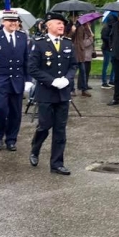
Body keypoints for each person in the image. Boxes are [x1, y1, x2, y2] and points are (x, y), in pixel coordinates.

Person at [28, 12, 78, 175]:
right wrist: (51, 81)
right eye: (58, 23)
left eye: (63, 24)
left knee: (60, 129)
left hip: (63, 93)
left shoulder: (68, 44)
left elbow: (73, 65)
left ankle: (57, 163)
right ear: (48, 25)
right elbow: (33, 68)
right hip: (46, 93)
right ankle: (35, 148)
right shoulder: (39, 44)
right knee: (44, 125)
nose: (62, 26)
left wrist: (67, 79)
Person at [0, 10, 32, 151]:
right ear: (3, 22)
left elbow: (26, 60)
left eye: (16, 20)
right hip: (0, 80)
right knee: (1, 110)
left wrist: (28, 80)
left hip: (17, 80)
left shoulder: (22, 37)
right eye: (10, 20)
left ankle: (11, 139)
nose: (13, 23)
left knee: (16, 112)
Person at [74, 21, 95, 97]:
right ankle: (80, 87)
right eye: (88, 23)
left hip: (87, 54)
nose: (90, 24)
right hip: (83, 54)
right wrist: (91, 39)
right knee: (81, 71)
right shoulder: (81, 30)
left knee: (86, 71)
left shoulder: (88, 30)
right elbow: (83, 43)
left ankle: (84, 86)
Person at [100, 15, 116, 89]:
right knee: (106, 65)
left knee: (112, 64)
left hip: (109, 48)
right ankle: (104, 81)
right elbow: (104, 37)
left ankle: (111, 80)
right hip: (107, 48)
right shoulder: (107, 28)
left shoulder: (109, 27)